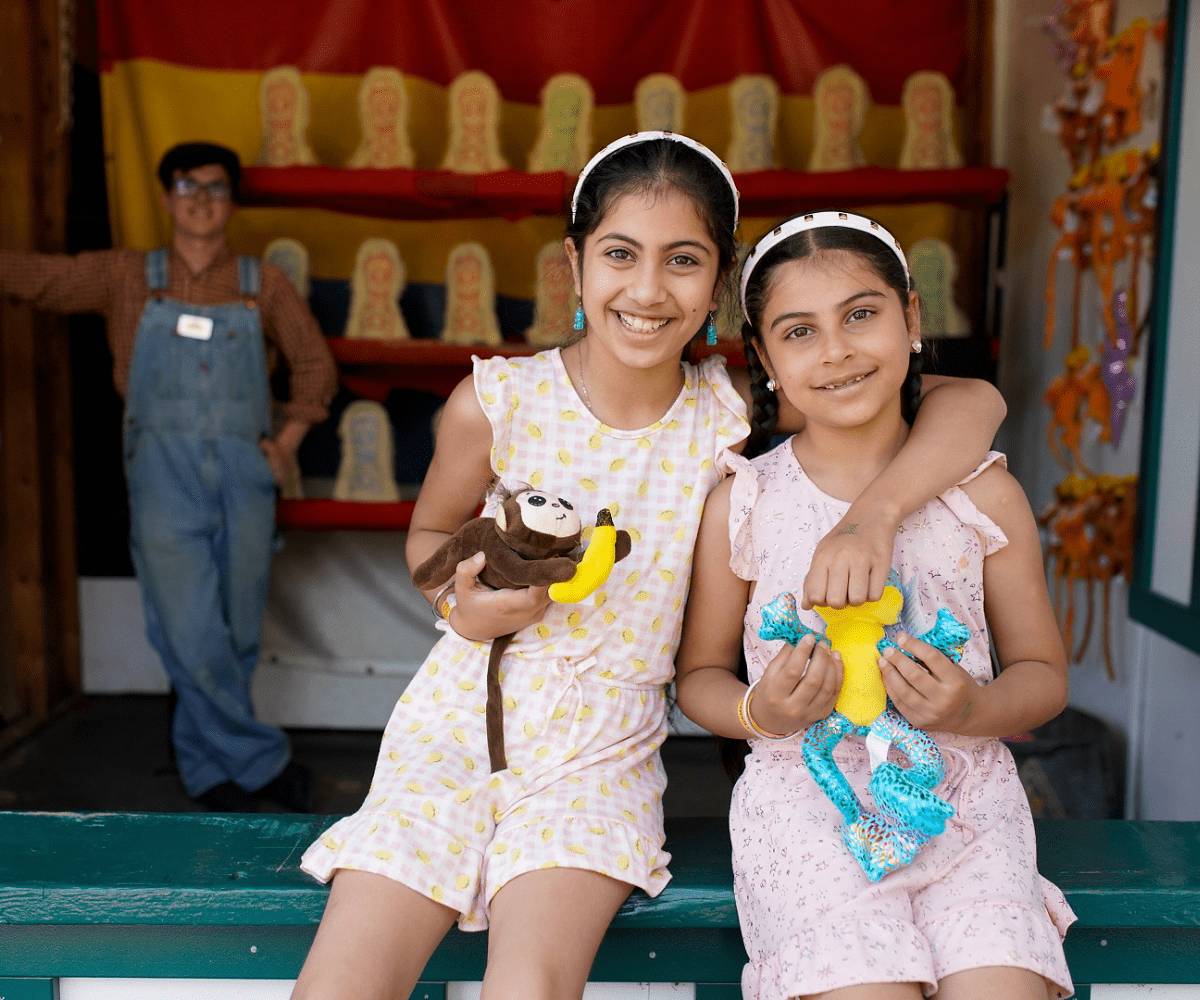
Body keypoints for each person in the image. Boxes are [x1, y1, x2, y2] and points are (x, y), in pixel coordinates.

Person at [290, 134, 1007, 1000]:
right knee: (339, 985)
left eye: (683, 260)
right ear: (575, 263)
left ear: (719, 283)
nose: (647, 288)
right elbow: (429, 540)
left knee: (529, 988)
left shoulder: (731, 414)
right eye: (620, 255)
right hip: (453, 728)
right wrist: (463, 605)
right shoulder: (495, 403)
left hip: (606, 752)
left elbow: (972, 402)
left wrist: (878, 516)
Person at [675, 211, 1075, 1000]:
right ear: (762, 357)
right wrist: (764, 712)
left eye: (861, 314)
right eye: (798, 332)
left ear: (912, 317)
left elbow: (1045, 674)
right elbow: (696, 679)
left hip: (968, 809)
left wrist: (973, 707)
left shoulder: (983, 494)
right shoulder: (745, 504)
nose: (837, 350)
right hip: (806, 810)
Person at [0, 142, 337, 812]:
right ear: (165, 198)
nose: (201, 198)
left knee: (237, 631)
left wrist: (287, 442)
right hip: (161, 471)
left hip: (245, 473)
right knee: (189, 630)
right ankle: (260, 761)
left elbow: (315, 368)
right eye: (187, 186)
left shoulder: (261, 282)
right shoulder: (127, 275)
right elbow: (38, 277)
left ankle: (212, 773)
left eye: (215, 187)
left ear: (231, 201)